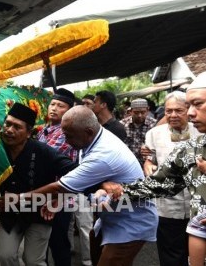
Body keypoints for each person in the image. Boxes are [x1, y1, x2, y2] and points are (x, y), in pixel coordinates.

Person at [100, 72, 206, 266]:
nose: (190, 113)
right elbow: (160, 184)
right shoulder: (193, 148)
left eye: (197, 104)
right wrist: (118, 191)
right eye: (189, 106)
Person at [31, 105, 158, 266]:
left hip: (131, 222)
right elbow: (81, 182)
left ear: (88, 132)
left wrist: (18, 199)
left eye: (69, 136)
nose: (66, 141)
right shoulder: (92, 139)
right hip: (112, 216)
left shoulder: (103, 154)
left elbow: (59, 187)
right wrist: (62, 198)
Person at [0, 102, 77, 266]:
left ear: (28, 133)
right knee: (5, 256)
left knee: (33, 261)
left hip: (39, 213)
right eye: (7, 124)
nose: (9, 130)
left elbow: (76, 172)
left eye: (17, 127)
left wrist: (59, 198)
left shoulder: (43, 151)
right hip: (9, 214)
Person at [141, 91, 199, 266]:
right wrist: (149, 168)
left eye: (178, 110)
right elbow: (149, 160)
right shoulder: (154, 134)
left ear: (188, 110)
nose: (172, 115)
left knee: (198, 254)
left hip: (197, 206)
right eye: (168, 111)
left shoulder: (201, 130)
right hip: (167, 206)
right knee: (170, 256)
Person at [38, 88, 92, 266]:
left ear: (69, 111)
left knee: (58, 243)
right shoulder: (43, 131)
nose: (53, 108)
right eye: (52, 104)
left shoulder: (65, 132)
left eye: (60, 106)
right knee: (40, 244)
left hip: (59, 197)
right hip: (41, 195)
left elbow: (46, 155)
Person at [120, 98, 157, 165]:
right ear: (131, 111)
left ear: (147, 111)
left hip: (147, 165)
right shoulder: (122, 125)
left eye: (143, 112)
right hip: (127, 164)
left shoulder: (154, 125)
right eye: (136, 113)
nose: (139, 115)